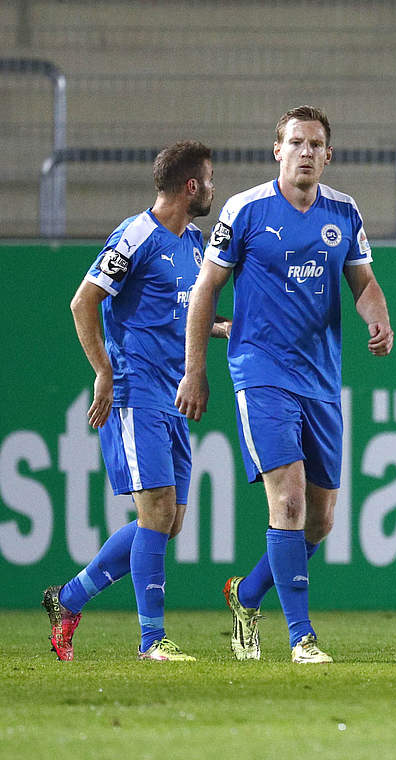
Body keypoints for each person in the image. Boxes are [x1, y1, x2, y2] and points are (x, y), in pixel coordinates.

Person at [177, 105, 394, 664]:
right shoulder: (244, 210)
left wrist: (377, 316)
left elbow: (363, 280)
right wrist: (195, 369)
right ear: (277, 150)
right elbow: (205, 291)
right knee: (290, 499)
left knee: (319, 521)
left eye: (315, 143)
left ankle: (246, 595)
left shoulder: (344, 212)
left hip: (321, 378)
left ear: (329, 154)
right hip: (261, 370)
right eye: (295, 142)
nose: (305, 151)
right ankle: (302, 637)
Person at [44, 140, 226, 662]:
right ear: (191, 186)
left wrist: (223, 327)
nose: (213, 188)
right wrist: (104, 371)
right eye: (209, 180)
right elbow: (83, 301)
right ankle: (152, 642)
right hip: (135, 391)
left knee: (170, 521)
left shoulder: (194, 244)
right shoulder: (137, 235)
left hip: (174, 395)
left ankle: (69, 598)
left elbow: (178, 313)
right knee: (157, 512)